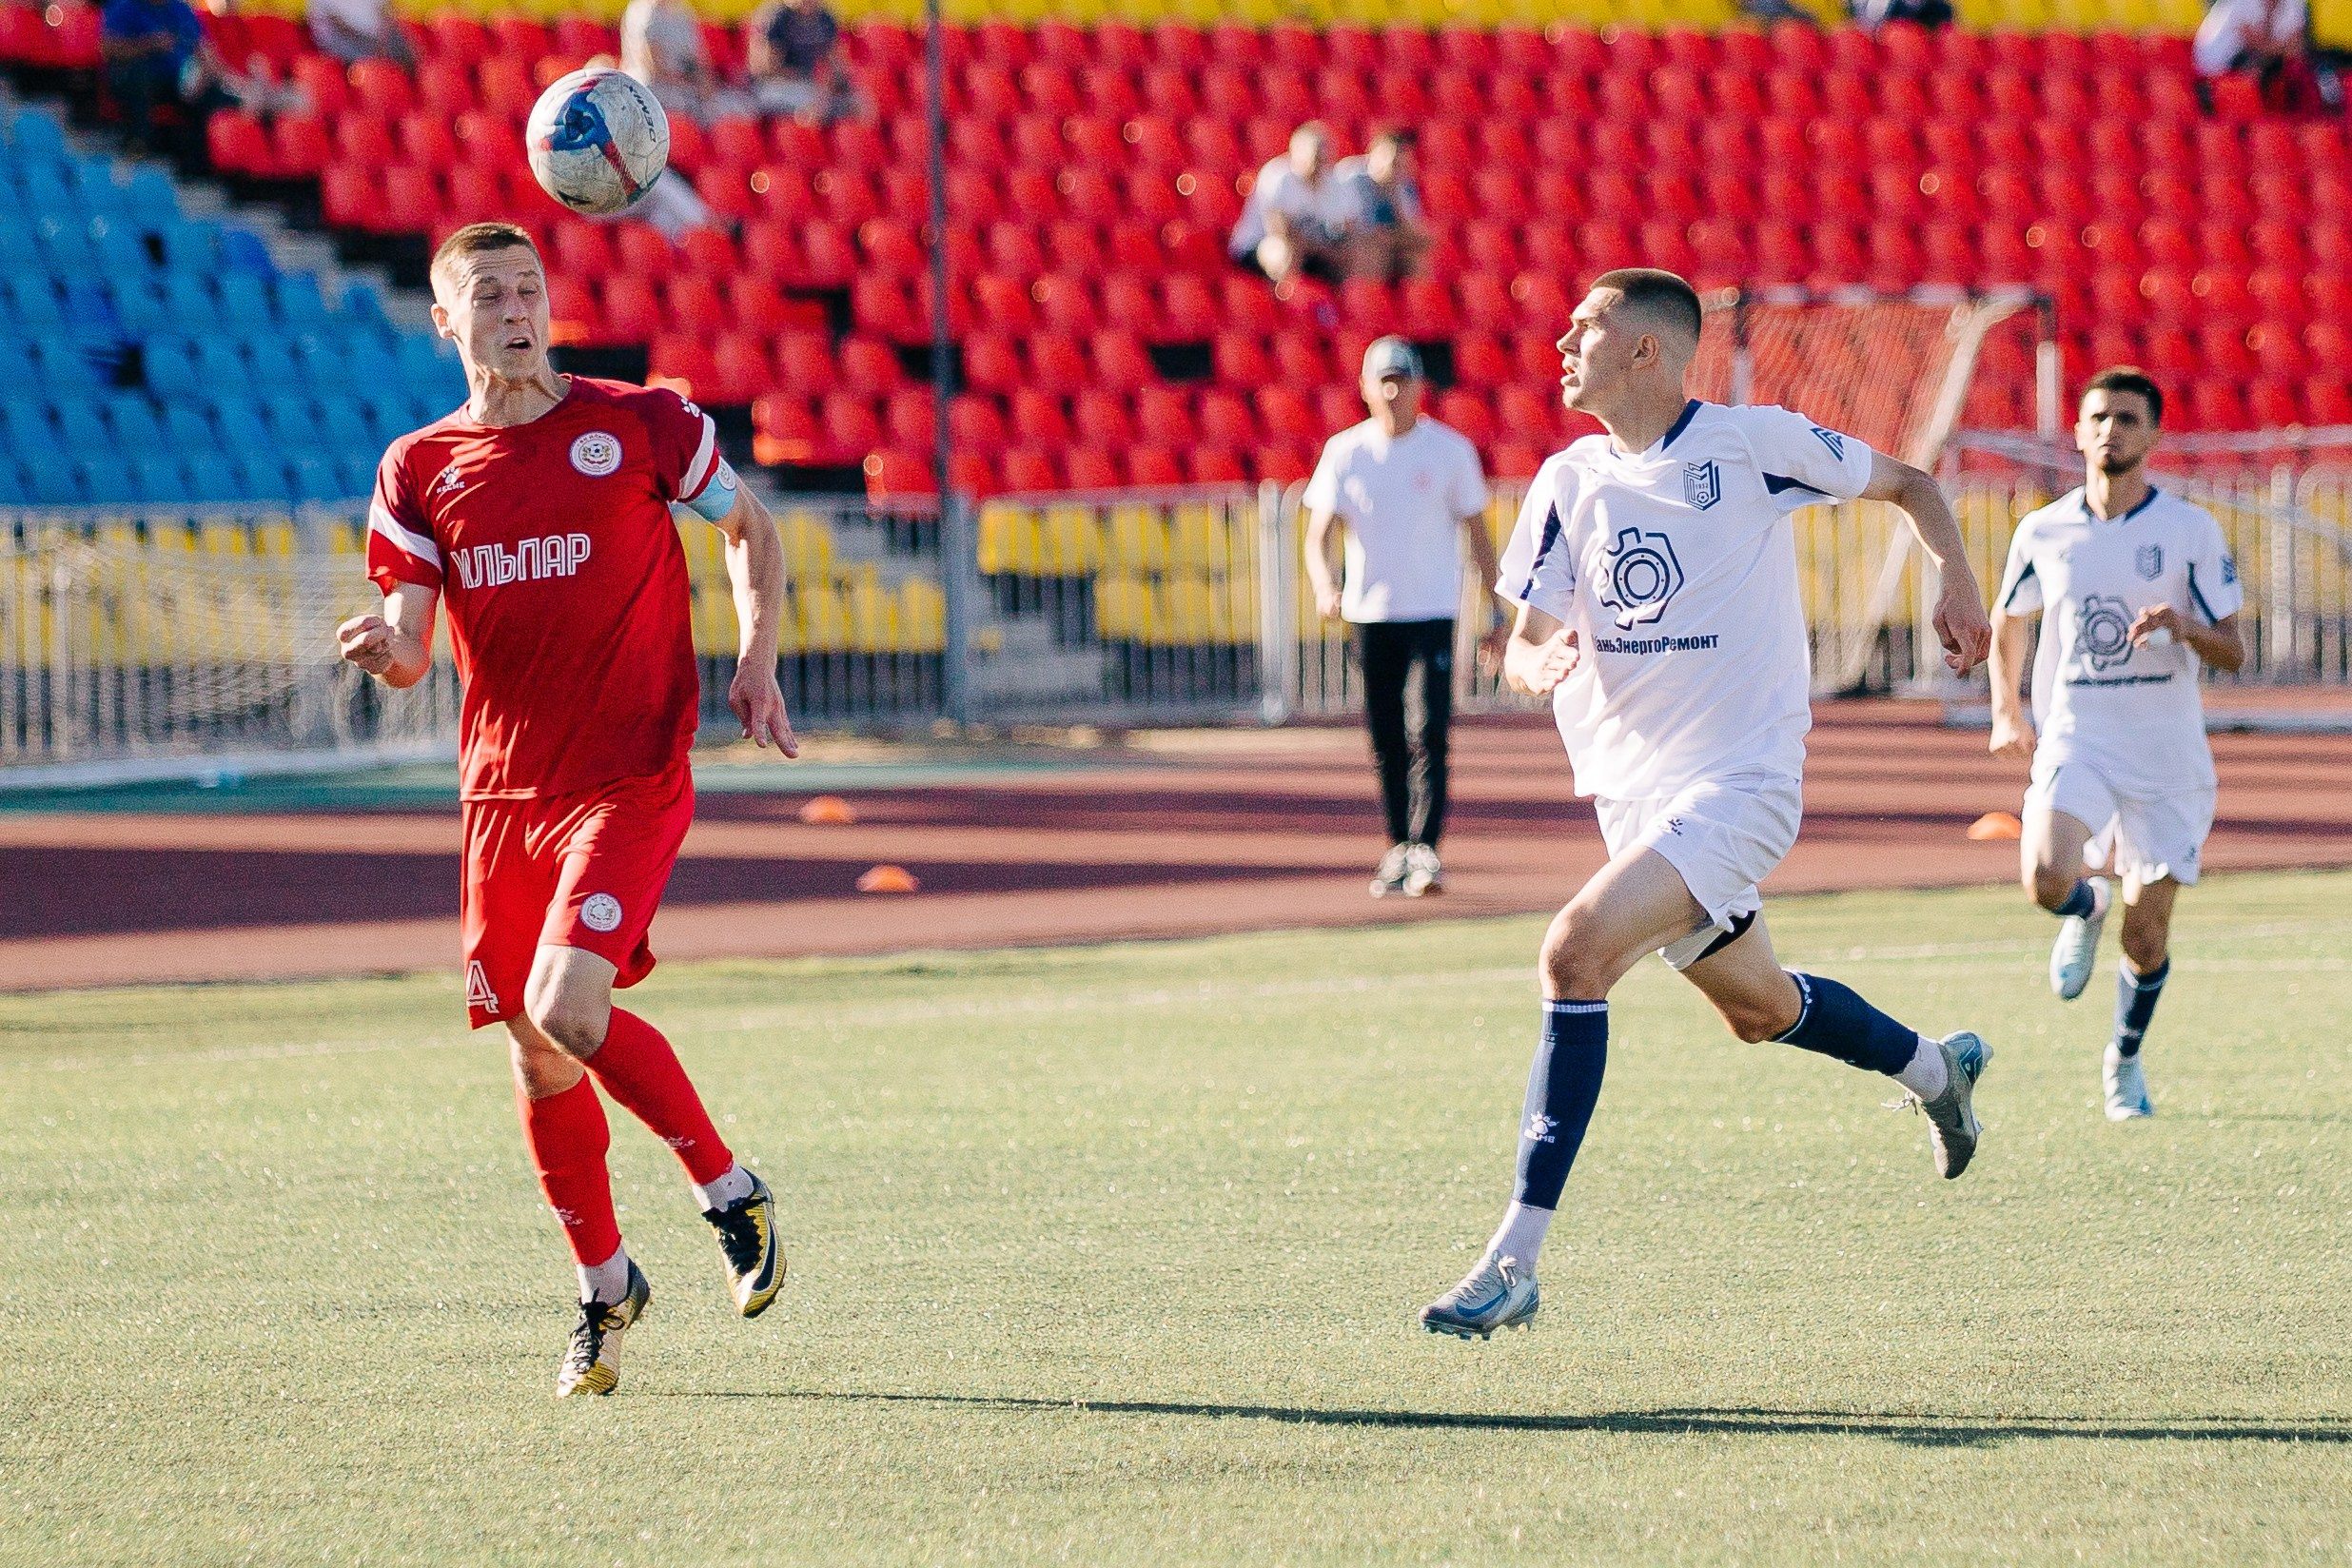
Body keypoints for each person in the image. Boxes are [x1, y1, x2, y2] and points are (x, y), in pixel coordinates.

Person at [1419, 268, 1997, 1341]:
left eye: (1585, 323)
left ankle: (1514, 1261)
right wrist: (1533, 662)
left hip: (1742, 786)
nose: (1563, 339)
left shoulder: (1752, 445)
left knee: (1572, 953)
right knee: (1760, 1010)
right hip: (1632, 802)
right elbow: (1527, 638)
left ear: (1647, 350)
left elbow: (1913, 485)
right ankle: (1937, 1069)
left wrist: (1957, 581)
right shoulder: (1566, 481)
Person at [338, 222, 795, 1397]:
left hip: (629, 773)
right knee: (539, 1060)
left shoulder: (642, 421)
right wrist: (389, 650)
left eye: (529, 287)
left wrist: (756, 659)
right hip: (500, 796)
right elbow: (411, 643)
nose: (514, 307)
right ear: (447, 323)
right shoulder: (418, 467)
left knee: (567, 1007)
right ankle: (605, 1287)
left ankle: (726, 1188)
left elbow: (752, 527)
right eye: (486, 294)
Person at [1988, 368, 2244, 1123]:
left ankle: (2123, 1060)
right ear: (2078, 431)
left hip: (2166, 755)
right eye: (2098, 417)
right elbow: (2010, 619)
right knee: (2042, 874)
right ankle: (2082, 905)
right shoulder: (2043, 529)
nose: (2111, 430)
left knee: (2149, 933)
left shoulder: (2190, 530)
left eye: (2128, 419)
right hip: (2079, 734)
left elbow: (2233, 648)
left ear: (2154, 435)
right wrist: (2006, 711)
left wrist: (2186, 627)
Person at [1303, 337, 1499, 899]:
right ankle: (1397, 844)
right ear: (1365, 389)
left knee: (1429, 730)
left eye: (1403, 380)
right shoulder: (1346, 452)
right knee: (1386, 736)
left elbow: (1477, 533)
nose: (1393, 392)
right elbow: (1319, 535)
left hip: (1432, 610)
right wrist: (1326, 585)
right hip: (1372, 614)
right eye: (1383, 381)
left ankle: (1426, 848)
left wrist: (1492, 604)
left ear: (1420, 387)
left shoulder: (1449, 451)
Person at [1228, 122, 1343, 286]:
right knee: (1286, 250)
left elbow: (1339, 229)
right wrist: (1322, 249)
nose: (1321, 161)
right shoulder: (1279, 177)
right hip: (1257, 246)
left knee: (1356, 251)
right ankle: (1287, 302)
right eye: (1316, 155)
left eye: (1324, 155)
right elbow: (1281, 231)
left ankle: (1353, 304)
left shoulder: (1331, 182)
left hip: (1311, 248)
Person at [1326, 128, 1429, 284]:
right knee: (1371, 248)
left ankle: (1412, 301)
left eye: (1402, 162)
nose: (1398, 167)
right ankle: (1364, 297)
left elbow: (1412, 230)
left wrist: (1395, 200)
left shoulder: (1403, 185)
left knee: (1417, 252)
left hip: (1386, 241)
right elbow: (1345, 224)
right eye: (1394, 161)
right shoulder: (1351, 176)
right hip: (1343, 241)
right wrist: (1382, 236)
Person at [619, 0, 743, 120]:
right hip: (653, 87)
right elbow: (654, 68)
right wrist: (689, 83)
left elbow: (699, 60)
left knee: (730, 105)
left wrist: (705, 83)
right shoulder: (644, 12)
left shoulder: (683, 12)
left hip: (686, 85)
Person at [745, 0, 855, 121]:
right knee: (809, 108)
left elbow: (836, 63)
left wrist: (832, 85)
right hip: (776, 86)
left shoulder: (825, 18)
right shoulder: (776, 17)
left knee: (857, 104)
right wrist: (808, 81)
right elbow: (766, 68)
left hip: (810, 86)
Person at [307, 0, 414, 68]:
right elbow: (337, 25)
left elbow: (385, 13)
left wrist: (383, 39)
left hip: (379, 36)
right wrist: (374, 46)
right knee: (373, 61)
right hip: (345, 41)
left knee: (406, 44)